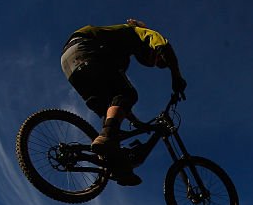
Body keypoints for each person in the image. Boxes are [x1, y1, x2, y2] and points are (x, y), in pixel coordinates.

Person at [60, 19, 187, 186]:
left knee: (112, 108)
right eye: (154, 58)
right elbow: (164, 46)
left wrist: (136, 122)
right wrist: (176, 76)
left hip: (69, 63)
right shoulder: (135, 31)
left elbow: (118, 101)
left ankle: (115, 165)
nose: (153, 61)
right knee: (128, 94)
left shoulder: (120, 56)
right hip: (85, 48)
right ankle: (106, 138)